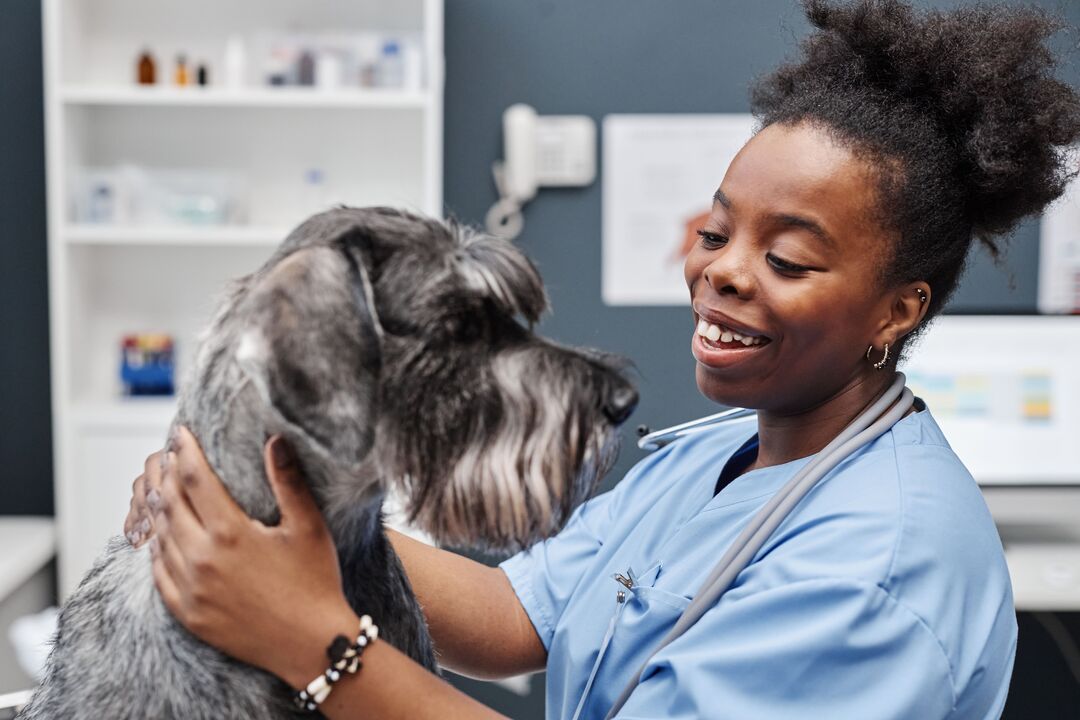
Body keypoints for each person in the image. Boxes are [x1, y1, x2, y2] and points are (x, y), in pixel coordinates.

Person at [124, 1, 1080, 718]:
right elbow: (513, 617)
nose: (724, 272)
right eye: (715, 231)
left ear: (898, 310)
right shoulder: (725, 455)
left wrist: (305, 634)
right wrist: (257, 529)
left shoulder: (880, 568)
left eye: (786, 259)